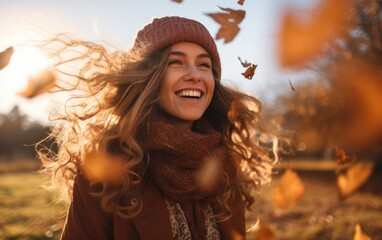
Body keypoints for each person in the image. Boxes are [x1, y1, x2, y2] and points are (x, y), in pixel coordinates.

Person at [38, 16, 278, 240]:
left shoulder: (224, 164)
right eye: (176, 62)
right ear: (148, 78)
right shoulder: (106, 164)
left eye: (204, 65)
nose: (195, 75)